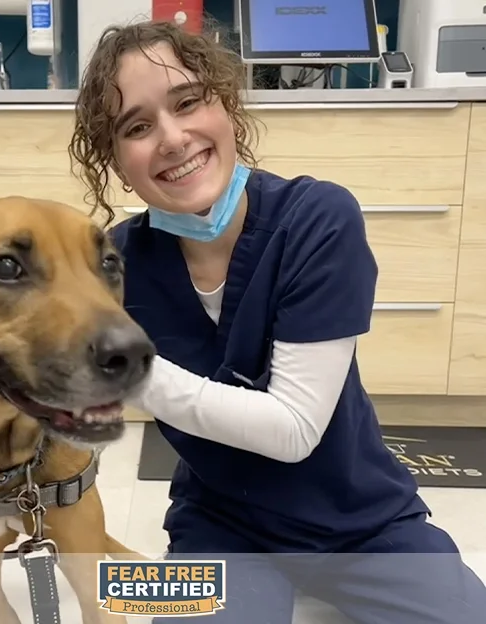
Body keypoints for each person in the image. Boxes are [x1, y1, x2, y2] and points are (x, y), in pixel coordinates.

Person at [68, 19, 486, 624]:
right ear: (115, 159)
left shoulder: (317, 219)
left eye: (188, 102)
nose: (172, 137)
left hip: (356, 518)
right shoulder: (117, 263)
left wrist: (123, 371)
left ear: (226, 103)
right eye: (137, 127)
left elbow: (293, 430)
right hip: (220, 521)